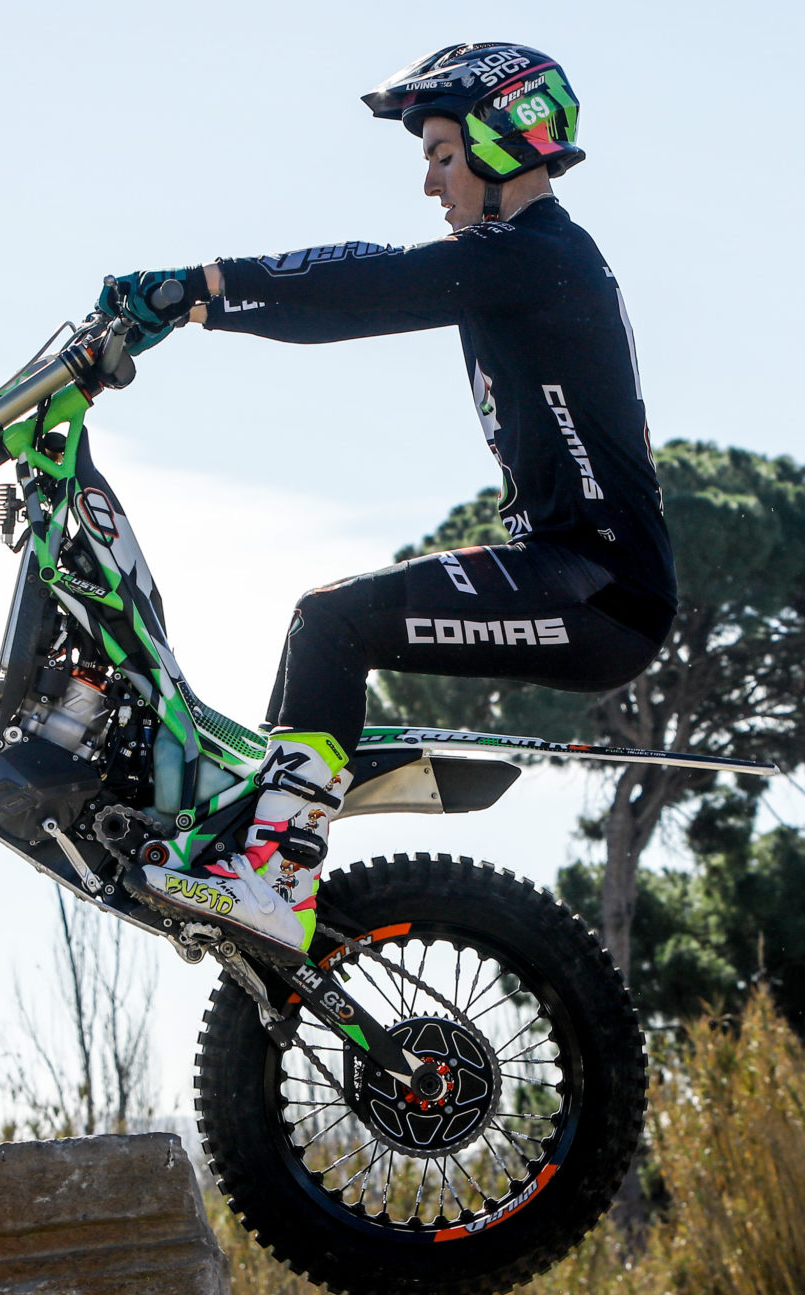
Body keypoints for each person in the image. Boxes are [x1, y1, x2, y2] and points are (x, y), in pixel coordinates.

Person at [98, 42, 674, 954]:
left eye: (442, 154)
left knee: (333, 623)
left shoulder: (538, 255)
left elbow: (369, 285)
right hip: (568, 571)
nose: (430, 182)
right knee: (324, 624)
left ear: (501, 141)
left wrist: (203, 286)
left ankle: (276, 873)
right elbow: (347, 304)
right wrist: (202, 307)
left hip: (602, 590)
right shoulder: (522, 261)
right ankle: (253, 862)